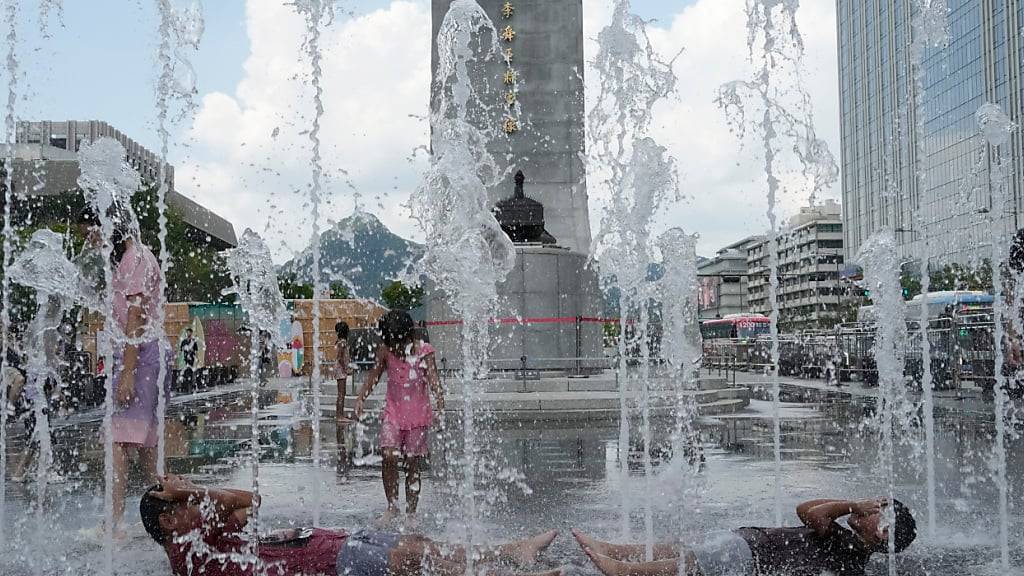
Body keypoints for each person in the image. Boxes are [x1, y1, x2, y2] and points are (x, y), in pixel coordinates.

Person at [141, 474, 560, 576]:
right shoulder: (187, 556)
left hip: (332, 543)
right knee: (412, 557)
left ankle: (509, 553)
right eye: (179, 503)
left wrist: (193, 490)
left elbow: (250, 502)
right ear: (168, 520)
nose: (192, 503)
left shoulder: (204, 534)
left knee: (419, 544)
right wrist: (190, 490)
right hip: (327, 564)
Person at [574, 498, 916, 576]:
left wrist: (850, 505)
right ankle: (615, 550)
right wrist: (853, 507)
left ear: (883, 533)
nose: (868, 508)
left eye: (877, 511)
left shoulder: (849, 548)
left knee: (690, 561)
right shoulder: (849, 545)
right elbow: (807, 509)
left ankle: (624, 571)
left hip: (755, 556)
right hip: (752, 546)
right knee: (685, 551)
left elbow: (809, 513)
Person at [108, 220, 169, 537]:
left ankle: (114, 522)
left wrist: (128, 374)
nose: (92, 243)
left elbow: (135, 316)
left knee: (117, 440)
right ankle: (177, 513)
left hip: (142, 358)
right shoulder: (135, 257)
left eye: (92, 234)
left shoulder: (135, 258)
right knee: (147, 448)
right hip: (143, 355)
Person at [354, 310, 443, 522]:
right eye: (390, 341)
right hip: (393, 413)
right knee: (388, 455)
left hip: (418, 416)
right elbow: (373, 377)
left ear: (407, 335)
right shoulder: (386, 351)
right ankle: (392, 505)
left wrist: (440, 404)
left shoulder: (424, 351)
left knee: (412, 462)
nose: (395, 346)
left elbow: (434, 380)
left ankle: (411, 512)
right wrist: (360, 398)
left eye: (396, 340)